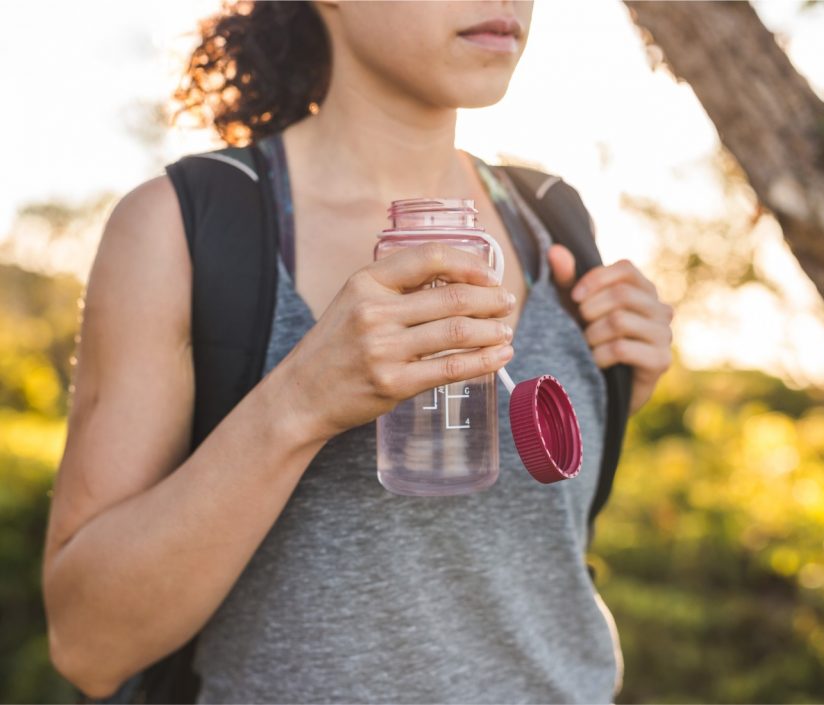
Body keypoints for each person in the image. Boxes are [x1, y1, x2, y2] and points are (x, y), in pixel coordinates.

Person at [41, 1, 674, 703]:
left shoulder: (553, 218)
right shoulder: (179, 229)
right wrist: (300, 399)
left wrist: (613, 387)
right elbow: (86, 643)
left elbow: (513, 568)